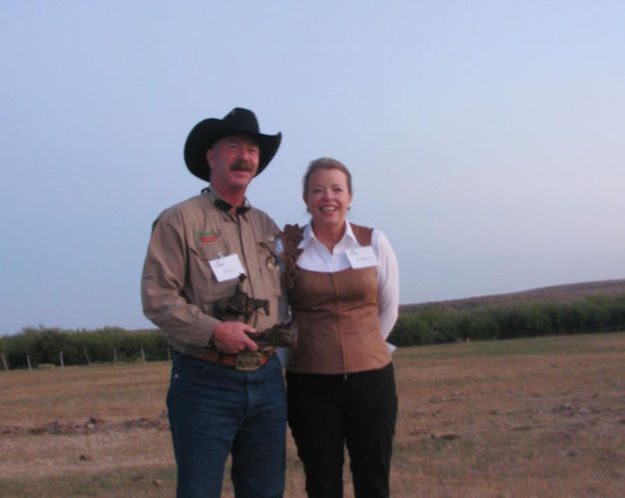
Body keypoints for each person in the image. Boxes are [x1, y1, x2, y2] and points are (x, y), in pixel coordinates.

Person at [141, 107, 286, 497]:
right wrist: (213, 331)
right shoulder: (178, 221)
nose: (244, 157)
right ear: (212, 157)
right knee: (199, 490)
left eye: (253, 150)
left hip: (268, 379)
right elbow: (157, 298)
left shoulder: (268, 228)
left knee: (265, 491)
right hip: (205, 382)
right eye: (234, 147)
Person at [279, 157, 400, 498]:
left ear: (350, 197)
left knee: (373, 479)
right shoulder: (287, 249)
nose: (327, 197)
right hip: (310, 385)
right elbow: (278, 316)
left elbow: (388, 308)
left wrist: (365, 345)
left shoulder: (374, 241)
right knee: (322, 482)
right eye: (317, 190)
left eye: (336, 189)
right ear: (306, 199)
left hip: (372, 382)